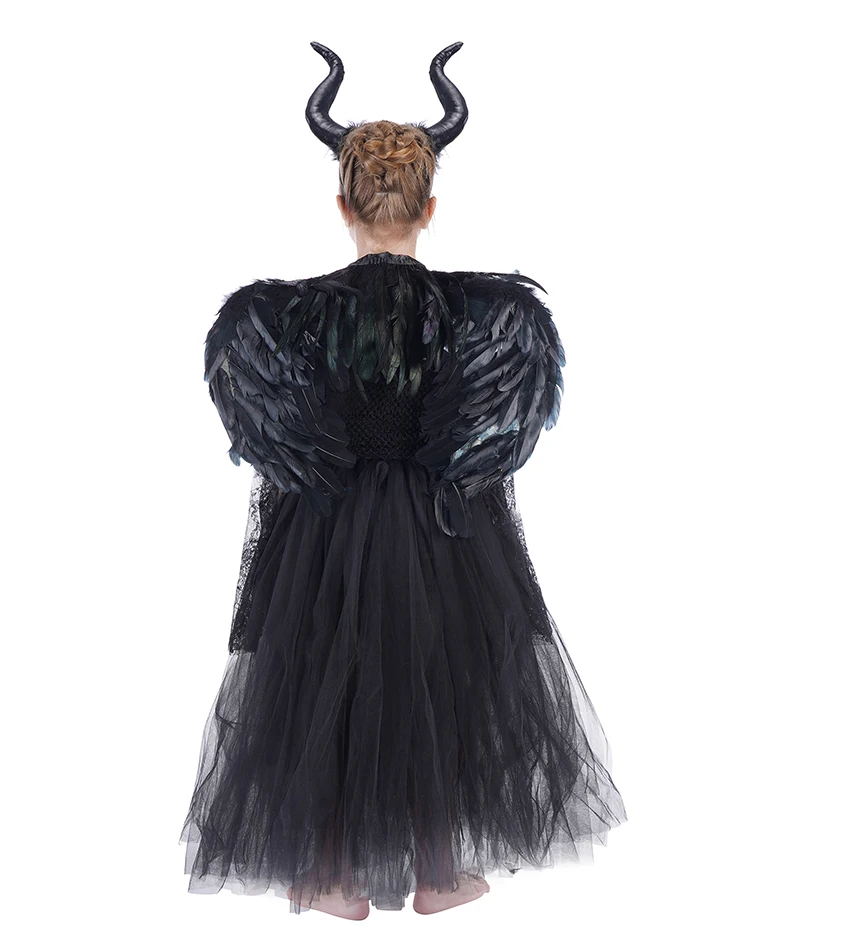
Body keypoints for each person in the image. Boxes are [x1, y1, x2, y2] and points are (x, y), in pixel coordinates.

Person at [178, 41, 627, 919]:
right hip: (444, 524)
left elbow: (273, 430)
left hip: (325, 524)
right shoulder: (486, 315)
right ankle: (438, 869)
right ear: (431, 207)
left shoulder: (281, 317)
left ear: (342, 204)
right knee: (443, 672)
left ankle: (331, 872)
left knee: (320, 670)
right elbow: (494, 434)